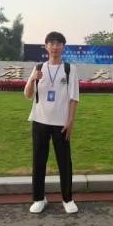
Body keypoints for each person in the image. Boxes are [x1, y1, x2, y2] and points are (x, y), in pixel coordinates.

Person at [24, 31, 79, 214]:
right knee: (38, 161)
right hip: (39, 120)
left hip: (61, 123)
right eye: (51, 43)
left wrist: (70, 121)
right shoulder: (38, 68)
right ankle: (39, 198)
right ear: (46, 46)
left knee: (64, 162)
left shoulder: (69, 69)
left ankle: (67, 199)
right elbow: (27, 95)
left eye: (58, 43)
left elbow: (74, 98)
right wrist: (33, 79)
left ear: (63, 47)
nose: (55, 47)